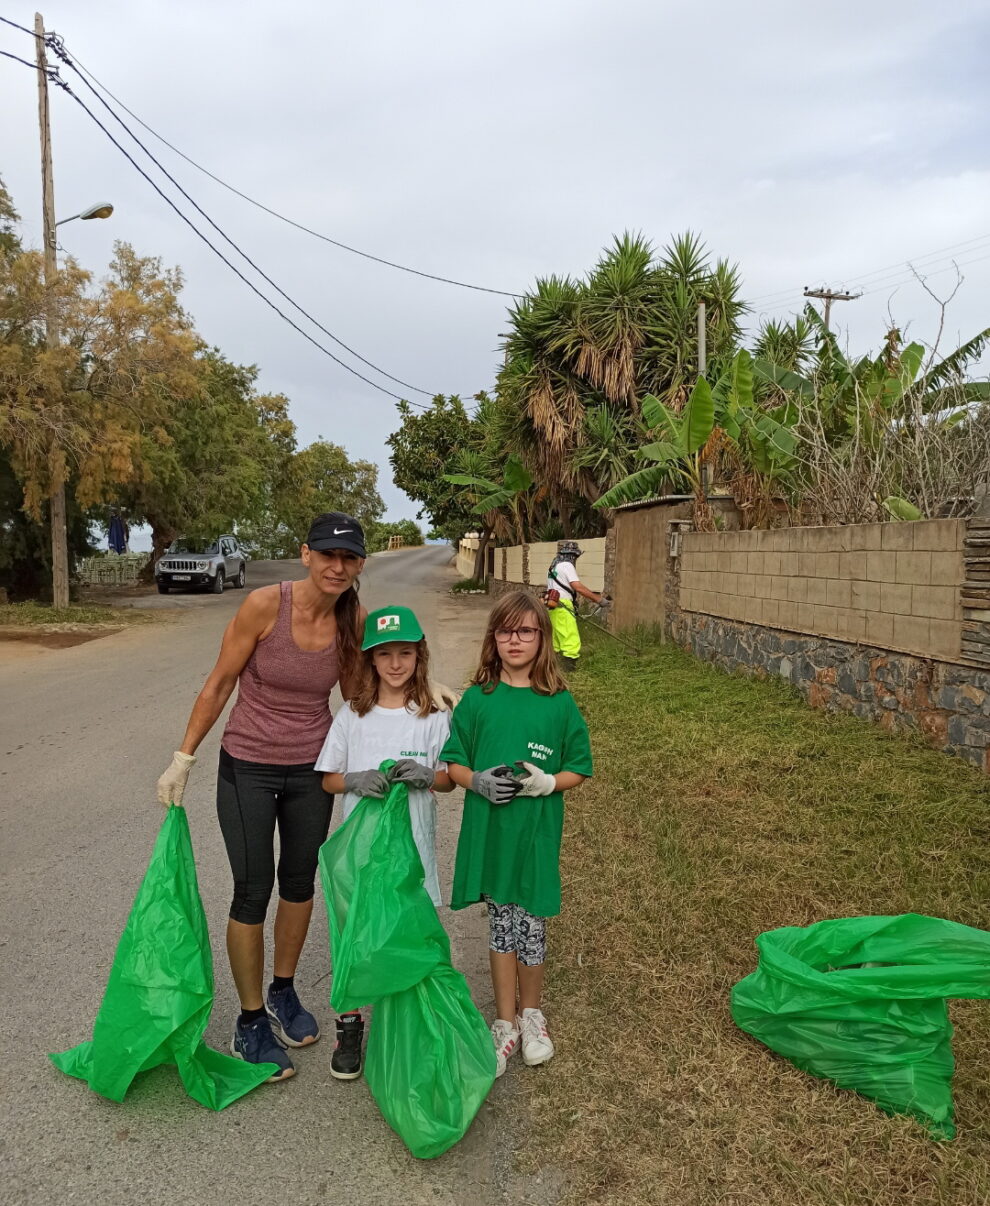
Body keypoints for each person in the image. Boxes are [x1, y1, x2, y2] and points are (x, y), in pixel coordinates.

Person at [155, 513, 454, 1083]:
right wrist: (184, 757)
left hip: (311, 770)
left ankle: (283, 992)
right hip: (247, 764)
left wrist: (425, 688)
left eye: (349, 558)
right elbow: (220, 681)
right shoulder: (267, 606)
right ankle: (249, 1022)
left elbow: (362, 688)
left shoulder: (353, 620)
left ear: (360, 564)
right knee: (251, 889)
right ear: (306, 556)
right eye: (327, 555)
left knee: (298, 883)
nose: (337, 567)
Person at [441, 590, 593, 1077]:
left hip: (534, 839)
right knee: (502, 927)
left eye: (525, 631)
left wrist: (548, 782)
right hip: (493, 838)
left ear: (541, 638)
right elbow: (456, 762)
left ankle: (532, 1016)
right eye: (505, 631)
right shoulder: (478, 700)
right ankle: (504, 1022)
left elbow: (579, 768)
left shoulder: (559, 704)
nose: (515, 640)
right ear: (493, 638)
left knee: (532, 928)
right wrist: (477, 781)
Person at [316, 604, 454, 1080]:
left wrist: (427, 777)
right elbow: (328, 779)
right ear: (370, 660)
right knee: (356, 937)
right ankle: (350, 1026)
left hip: (413, 852)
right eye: (385, 654)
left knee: (409, 934)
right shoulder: (353, 716)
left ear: (420, 656)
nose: (396, 664)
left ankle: (410, 1027)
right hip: (362, 854)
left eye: (405, 653)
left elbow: (449, 780)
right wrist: (354, 779)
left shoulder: (433, 717)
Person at [545, 540, 608, 670]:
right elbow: (577, 587)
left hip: (553, 605)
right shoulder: (567, 565)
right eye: (575, 557)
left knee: (557, 636)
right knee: (570, 636)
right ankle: (569, 668)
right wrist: (598, 599)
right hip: (563, 605)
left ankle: (554, 665)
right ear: (572, 555)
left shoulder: (553, 567)